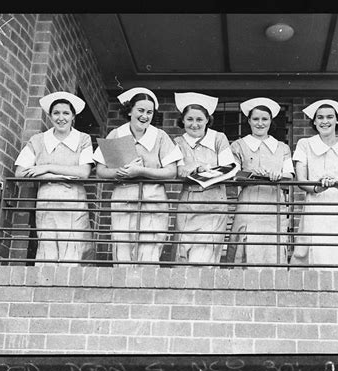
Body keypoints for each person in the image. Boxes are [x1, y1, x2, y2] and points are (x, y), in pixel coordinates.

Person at [93, 87, 182, 264]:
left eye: (149, 112)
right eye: (140, 110)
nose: (145, 116)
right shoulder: (117, 134)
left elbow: (172, 171)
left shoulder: (160, 136)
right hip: (123, 198)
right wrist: (119, 172)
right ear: (130, 110)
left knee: (149, 250)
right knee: (122, 249)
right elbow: (100, 171)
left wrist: (141, 171)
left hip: (153, 200)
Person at [14, 91, 94, 265]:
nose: (61, 118)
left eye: (66, 113)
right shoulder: (38, 140)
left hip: (74, 199)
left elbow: (83, 172)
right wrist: (60, 174)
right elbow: (20, 173)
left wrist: (46, 168)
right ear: (49, 116)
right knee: (48, 249)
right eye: (56, 113)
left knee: (73, 250)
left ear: (73, 116)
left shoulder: (83, 139)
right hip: (47, 199)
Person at [291, 99, 338, 268]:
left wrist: (336, 183)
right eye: (320, 117)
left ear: (337, 120)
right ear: (314, 121)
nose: (325, 121)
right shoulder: (305, 144)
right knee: (314, 257)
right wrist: (318, 187)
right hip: (315, 208)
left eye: (330, 117)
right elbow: (300, 180)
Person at [226, 97, 294, 264]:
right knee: (245, 245)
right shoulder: (238, 145)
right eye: (255, 119)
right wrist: (249, 173)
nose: (260, 123)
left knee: (273, 248)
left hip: (274, 205)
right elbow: (232, 174)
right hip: (248, 204)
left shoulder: (282, 147)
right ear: (249, 121)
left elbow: (290, 176)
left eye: (265, 119)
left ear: (271, 121)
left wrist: (278, 175)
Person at [173, 92, 236, 263]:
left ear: (207, 120)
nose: (194, 124)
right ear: (183, 120)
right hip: (188, 204)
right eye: (190, 119)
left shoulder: (218, 138)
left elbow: (229, 170)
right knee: (182, 255)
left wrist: (198, 167)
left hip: (214, 204)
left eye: (199, 119)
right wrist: (190, 168)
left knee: (205, 258)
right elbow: (178, 171)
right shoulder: (177, 142)